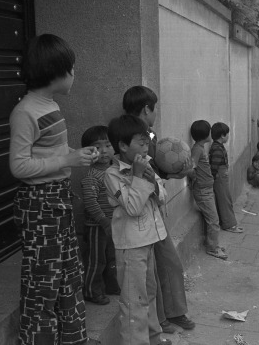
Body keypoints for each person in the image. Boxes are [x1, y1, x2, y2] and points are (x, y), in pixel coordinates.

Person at [9, 33, 94, 345]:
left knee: (69, 276)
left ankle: (72, 339)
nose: (74, 74)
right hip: (40, 206)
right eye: (71, 68)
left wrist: (77, 155)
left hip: (58, 201)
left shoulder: (50, 104)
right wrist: (67, 158)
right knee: (42, 285)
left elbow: (50, 153)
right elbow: (19, 166)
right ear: (55, 72)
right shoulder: (26, 112)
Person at [123, 86, 194, 332]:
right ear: (146, 109)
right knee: (159, 265)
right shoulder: (131, 136)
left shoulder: (150, 136)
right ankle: (164, 318)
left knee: (163, 262)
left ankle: (171, 314)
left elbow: (157, 169)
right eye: (155, 109)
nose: (156, 114)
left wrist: (174, 171)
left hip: (154, 204)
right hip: (140, 208)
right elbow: (139, 171)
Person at [105, 115, 172, 345]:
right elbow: (133, 207)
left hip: (149, 240)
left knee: (149, 295)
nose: (146, 149)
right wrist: (137, 177)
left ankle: (153, 339)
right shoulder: (113, 175)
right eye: (140, 144)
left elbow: (162, 197)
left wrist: (151, 180)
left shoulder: (147, 167)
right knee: (134, 302)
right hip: (130, 245)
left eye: (147, 143)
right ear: (123, 146)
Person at [80, 126, 120, 306]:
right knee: (97, 260)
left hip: (114, 223)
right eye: (97, 147)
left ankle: (111, 286)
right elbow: (90, 203)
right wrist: (104, 221)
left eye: (108, 145)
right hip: (97, 227)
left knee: (112, 257)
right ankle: (91, 291)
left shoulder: (115, 170)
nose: (104, 151)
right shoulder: (91, 176)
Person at [181, 120, 228, 260]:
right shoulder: (197, 149)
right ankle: (212, 249)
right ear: (205, 135)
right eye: (209, 131)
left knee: (213, 219)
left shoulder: (200, 148)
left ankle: (214, 244)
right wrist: (194, 176)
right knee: (214, 220)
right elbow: (191, 168)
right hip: (202, 191)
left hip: (207, 189)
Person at [209, 122, 244, 233]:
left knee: (224, 199)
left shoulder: (217, 146)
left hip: (221, 177)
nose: (228, 136)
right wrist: (215, 177)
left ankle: (226, 222)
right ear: (222, 135)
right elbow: (214, 166)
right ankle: (229, 225)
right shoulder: (217, 149)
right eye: (227, 134)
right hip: (219, 178)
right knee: (225, 200)